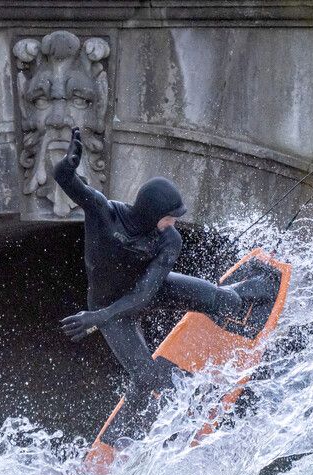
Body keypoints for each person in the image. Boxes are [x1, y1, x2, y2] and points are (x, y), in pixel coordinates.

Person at [53, 127, 276, 437]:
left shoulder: (169, 239)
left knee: (227, 302)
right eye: (170, 216)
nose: (174, 223)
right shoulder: (105, 213)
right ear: (151, 212)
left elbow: (145, 293)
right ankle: (136, 422)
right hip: (109, 307)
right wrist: (65, 169)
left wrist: (96, 319)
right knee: (147, 378)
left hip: (147, 291)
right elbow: (68, 182)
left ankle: (251, 287)